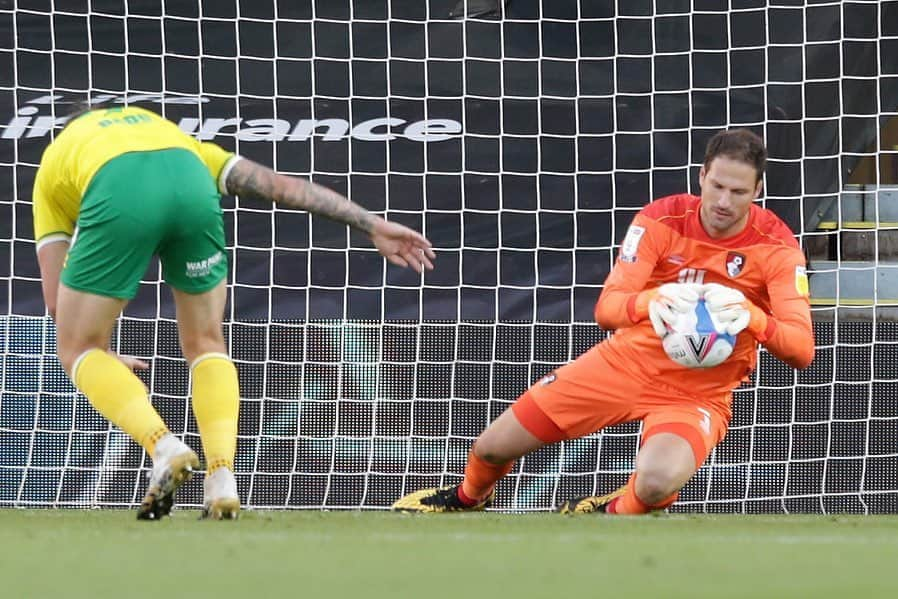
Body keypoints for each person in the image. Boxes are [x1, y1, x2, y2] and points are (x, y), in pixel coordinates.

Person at [33, 104, 436, 520]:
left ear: (67, 128)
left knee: (77, 348)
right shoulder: (173, 137)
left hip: (115, 189)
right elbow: (280, 185)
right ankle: (222, 477)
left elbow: (55, 305)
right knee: (206, 341)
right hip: (191, 185)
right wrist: (369, 223)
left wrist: (100, 357)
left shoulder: (57, 160)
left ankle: (163, 446)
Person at [392, 128, 814, 514]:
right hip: (622, 364)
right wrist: (653, 300)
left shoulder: (777, 247)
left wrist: (752, 316)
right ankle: (467, 499)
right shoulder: (660, 219)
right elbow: (607, 309)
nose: (724, 202)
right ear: (701, 176)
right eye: (717, 186)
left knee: (655, 485)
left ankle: (608, 511)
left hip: (696, 394)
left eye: (738, 192)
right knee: (492, 448)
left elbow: (802, 350)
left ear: (757, 190)